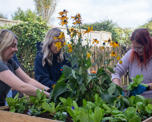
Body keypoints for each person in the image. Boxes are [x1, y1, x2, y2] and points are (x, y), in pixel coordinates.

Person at [0, 29, 50, 106]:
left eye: (16, 46)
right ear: (3, 44)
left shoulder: (10, 62)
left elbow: (28, 80)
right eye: (13, 46)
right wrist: (50, 96)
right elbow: (22, 86)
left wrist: (49, 90)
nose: (16, 49)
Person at [112, 28, 152, 98]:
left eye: (139, 48)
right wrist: (117, 87)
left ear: (147, 44)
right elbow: (116, 71)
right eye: (134, 47)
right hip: (134, 101)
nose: (137, 51)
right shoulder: (131, 54)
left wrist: (146, 87)